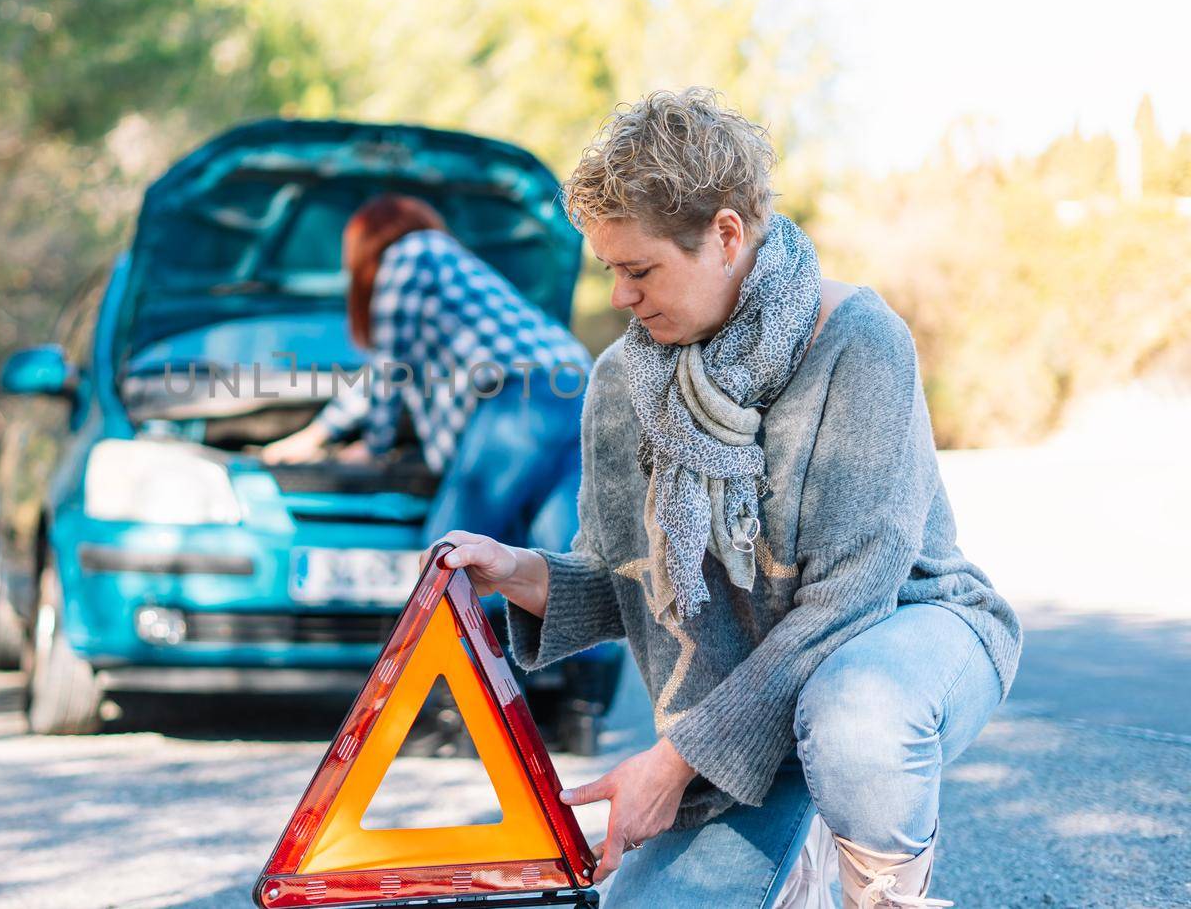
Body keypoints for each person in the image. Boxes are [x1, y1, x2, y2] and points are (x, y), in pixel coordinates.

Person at [427, 89, 1022, 908]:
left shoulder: (859, 342)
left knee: (853, 719)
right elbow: (624, 579)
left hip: (902, 634)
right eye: (611, 271)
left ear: (727, 235)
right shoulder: (620, 384)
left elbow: (849, 601)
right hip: (746, 708)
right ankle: (802, 841)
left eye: (640, 270)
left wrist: (673, 763)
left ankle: (880, 890)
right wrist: (521, 571)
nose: (620, 298)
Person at [262, 193, 593, 556]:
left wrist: (373, 446)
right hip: (578, 395)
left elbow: (388, 368)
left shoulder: (408, 255)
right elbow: (380, 377)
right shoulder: (446, 262)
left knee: (450, 556)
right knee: (562, 553)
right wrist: (317, 434)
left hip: (524, 400)